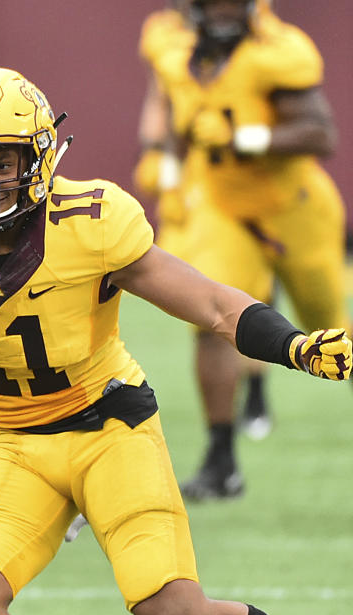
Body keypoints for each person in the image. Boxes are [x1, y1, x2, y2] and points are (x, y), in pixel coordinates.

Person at [0, 68, 349, 615]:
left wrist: (295, 346)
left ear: (38, 158)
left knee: (173, 613)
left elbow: (212, 304)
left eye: (4, 163)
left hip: (108, 430)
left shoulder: (91, 222)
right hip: (14, 438)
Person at [150, 0, 349, 500]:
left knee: (334, 327)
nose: (221, 12)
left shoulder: (279, 52)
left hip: (294, 207)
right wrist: (172, 179)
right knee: (210, 319)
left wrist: (246, 138)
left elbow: (320, 133)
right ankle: (222, 463)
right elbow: (180, 119)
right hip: (224, 208)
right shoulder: (174, 51)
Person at [134, 0, 274, 446]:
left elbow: (303, 120)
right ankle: (226, 440)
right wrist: (164, 162)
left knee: (299, 300)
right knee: (207, 290)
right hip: (202, 186)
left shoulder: (262, 34)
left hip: (262, 181)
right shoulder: (165, 36)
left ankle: (256, 387)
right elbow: (163, 104)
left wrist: (242, 138)